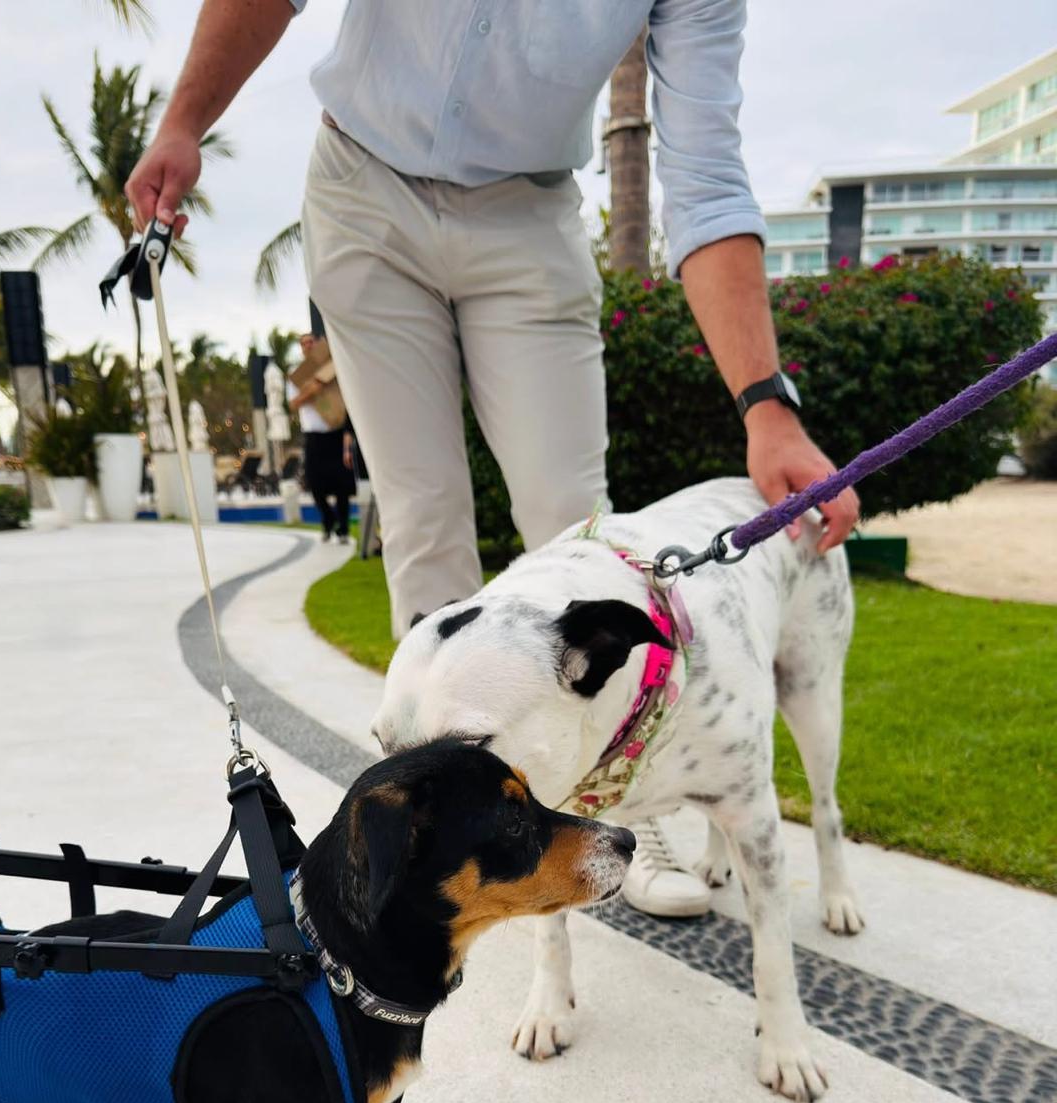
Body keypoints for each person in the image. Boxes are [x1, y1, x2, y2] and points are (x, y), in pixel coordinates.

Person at [127, 0, 859, 919]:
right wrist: (184, 122)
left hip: (529, 210)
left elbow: (705, 176)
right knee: (424, 521)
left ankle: (626, 806)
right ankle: (442, 832)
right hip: (362, 182)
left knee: (575, 522)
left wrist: (766, 406)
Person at [286, 332, 351, 541]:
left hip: (336, 432)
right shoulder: (296, 376)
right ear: (301, 348)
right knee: (314, 483)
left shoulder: (333, 366)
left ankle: (343, 528)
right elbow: (293, 403)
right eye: (303, 343)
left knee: (342, 485)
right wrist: (312, 390)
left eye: (310, 342)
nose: (307, 346)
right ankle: (328, 519)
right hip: (313, 436)